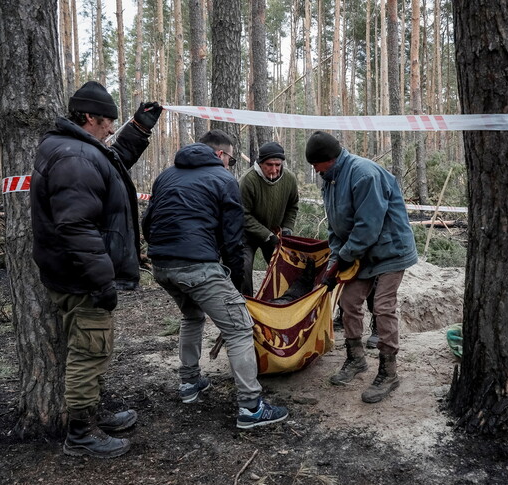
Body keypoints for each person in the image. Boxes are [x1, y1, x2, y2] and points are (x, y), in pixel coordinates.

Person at [31, 81, 162, 458]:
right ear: (89, 117)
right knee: (90, 351)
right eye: (107, 122)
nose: (110, 128)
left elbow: (112, 161)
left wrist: (139, 129)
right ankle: (81, 433)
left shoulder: (77, 149)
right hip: (81, 277)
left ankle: (93, 413)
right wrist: (102, 279)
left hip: (73, 273)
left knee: (93, 348)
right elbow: (75, 227)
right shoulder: (74, 158)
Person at [142, 130, 289, 429]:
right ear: (220, 154)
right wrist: (235, 281)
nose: (231, 164)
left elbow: (147, 221)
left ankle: (190, 382)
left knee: (192, 316)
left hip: (162, 264)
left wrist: (161, 252)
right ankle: (251, 407)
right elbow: (233, 239)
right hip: (198, 265)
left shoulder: (166, 176)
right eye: (231, 158)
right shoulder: (223, 180)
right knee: (239, 328)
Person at [306, 131, 418, 403]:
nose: (314, 170)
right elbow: (335, 225)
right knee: (349, 302)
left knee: (382, 306)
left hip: (390, 250)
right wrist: (335, 261)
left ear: (328, 159)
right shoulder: (329, 180)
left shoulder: (363, 174)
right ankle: (356, 359)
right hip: (361, 252)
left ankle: (388, 372)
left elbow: (368, 226)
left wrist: (346, 256)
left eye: (315, 164)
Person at [239, 141, 299, 296]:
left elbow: (293, 206)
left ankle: (281, 302)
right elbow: (243, 214)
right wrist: (266, 235)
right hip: (247, 235)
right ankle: (246, 306)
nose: (274, 169)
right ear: (260, 163)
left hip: (274, 232)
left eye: (278, 165)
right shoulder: (248, 180)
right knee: (243, 268)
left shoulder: (290, 179)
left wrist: (287, 228)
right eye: (269, 165)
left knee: (284, 268)